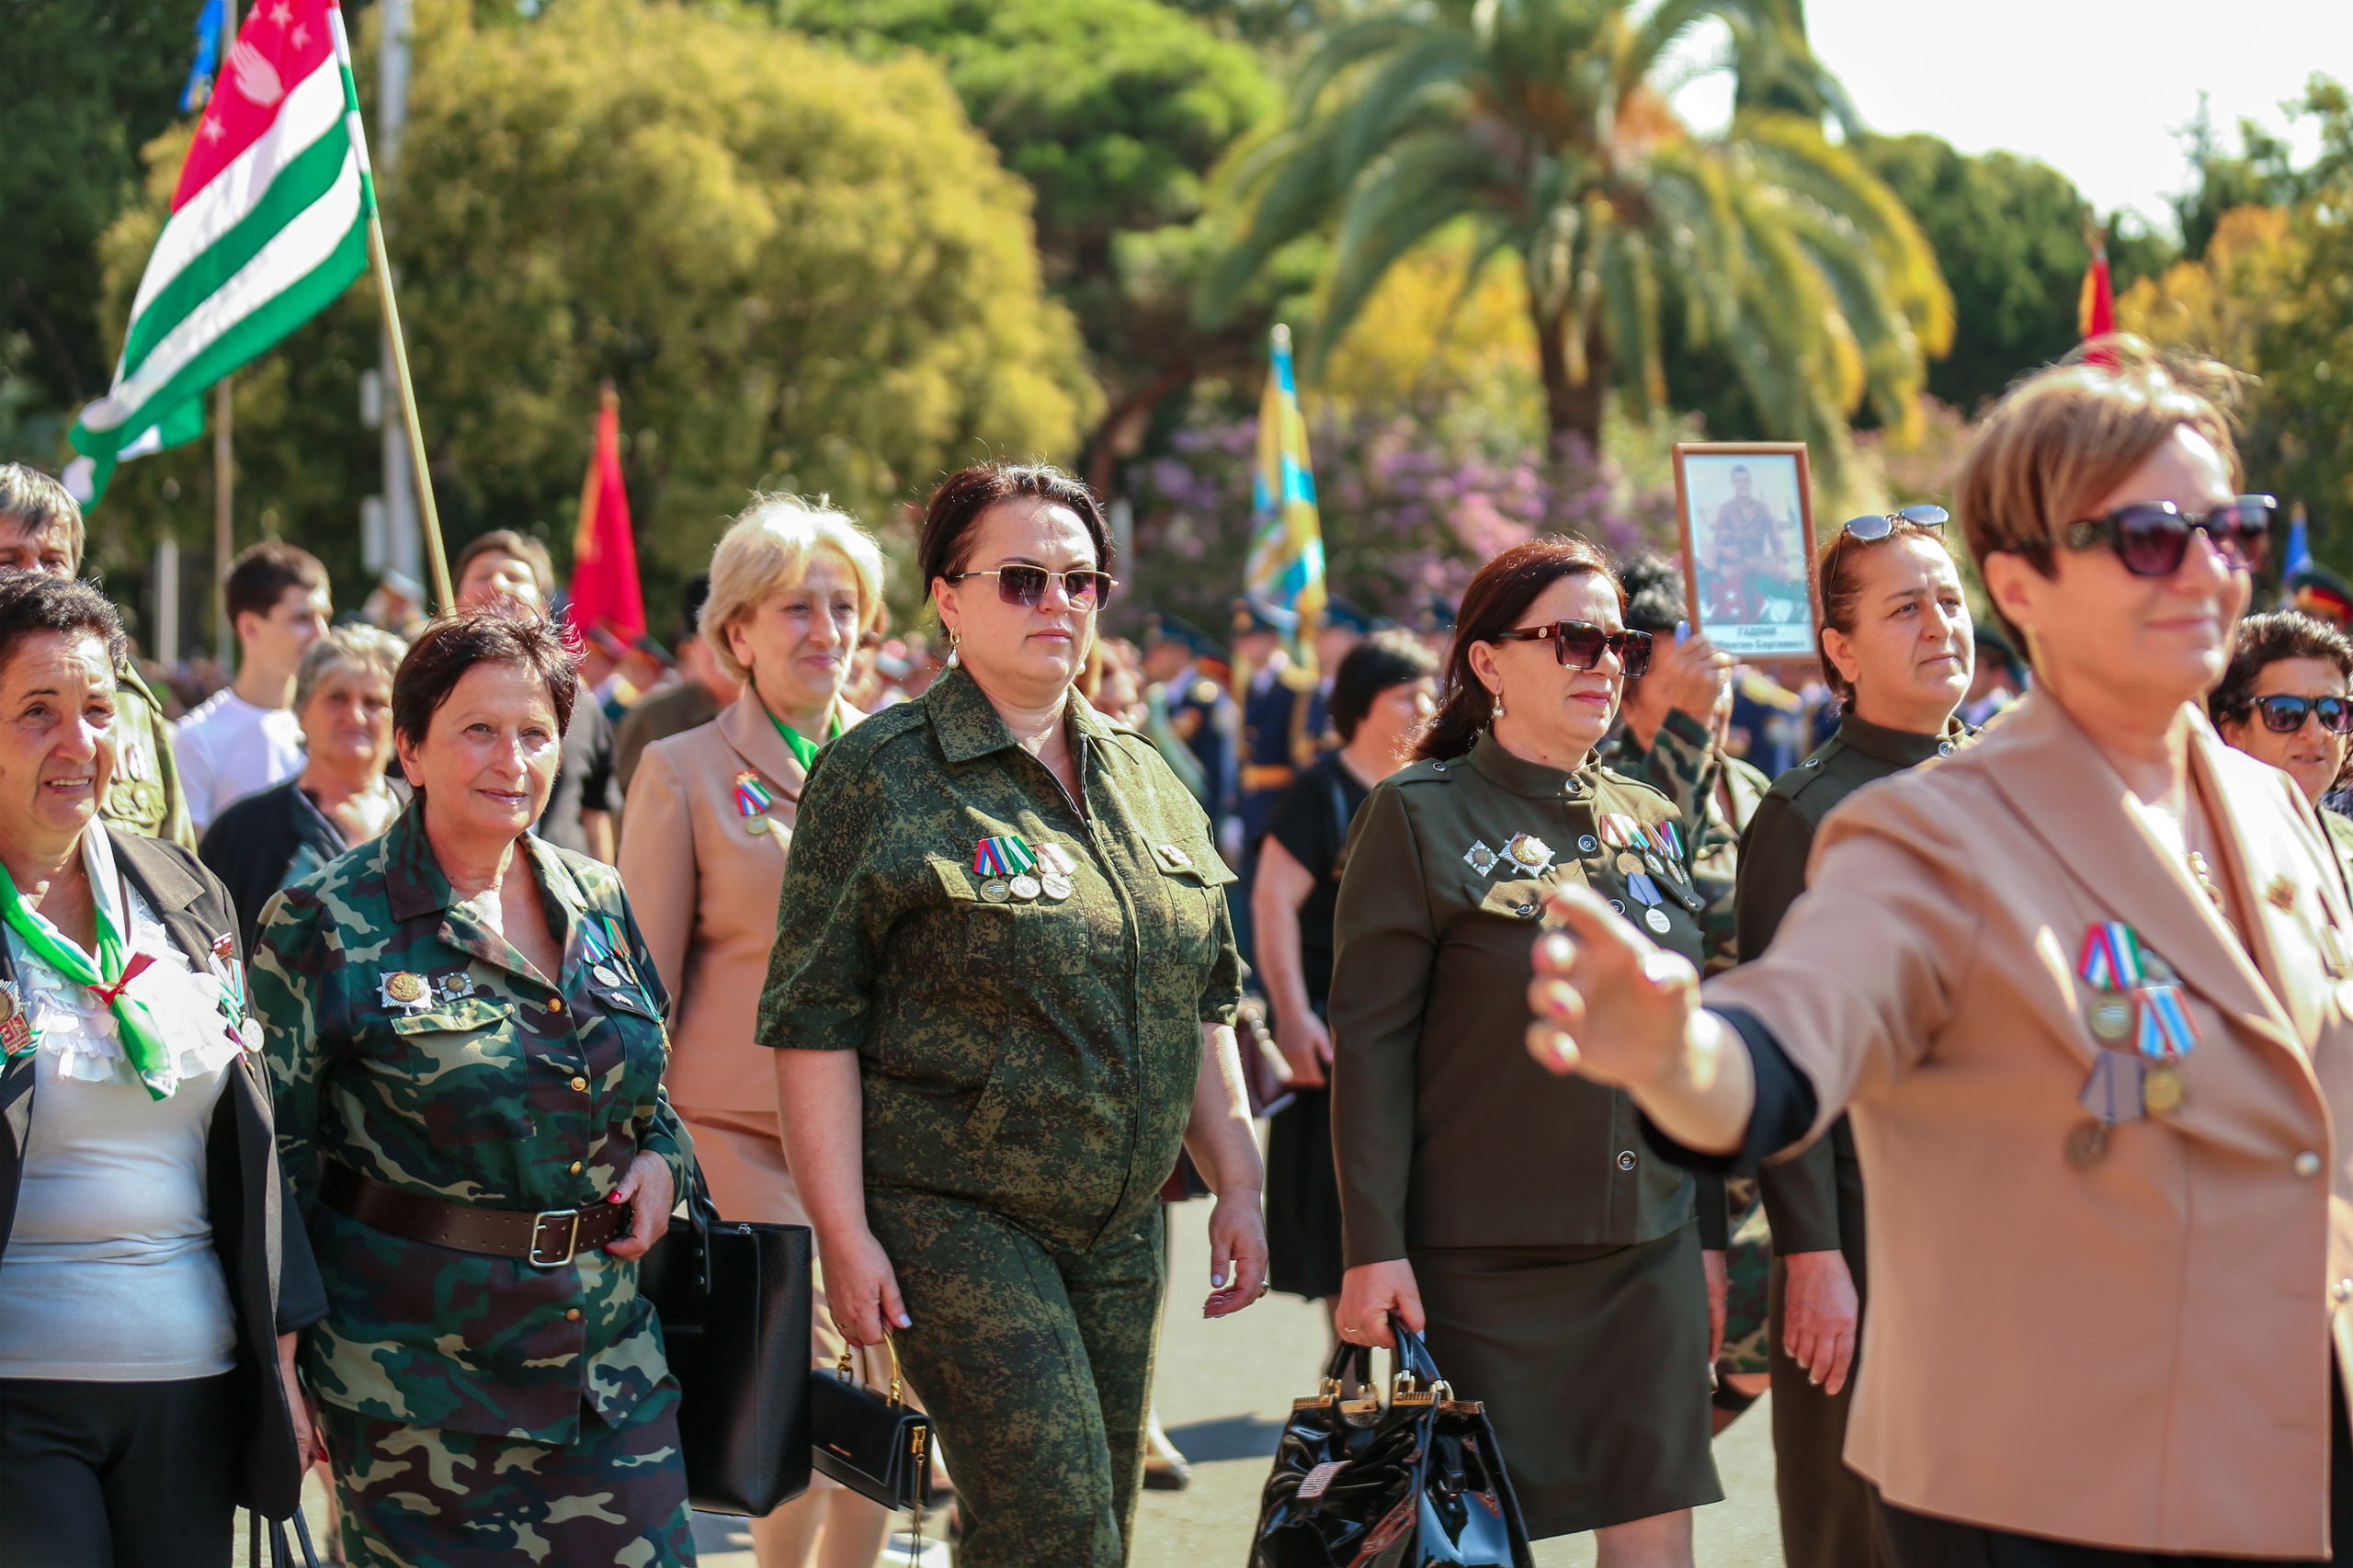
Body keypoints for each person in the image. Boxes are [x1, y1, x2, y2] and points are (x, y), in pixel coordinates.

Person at [1529, 342, 2353, 1562]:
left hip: (2287, 1424)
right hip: (2055, 1469)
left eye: (2225, 528)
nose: (2202, 569)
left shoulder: (2274, 805)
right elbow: (1804, 1017)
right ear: (2023, 578)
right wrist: (1685, 1055)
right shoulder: (1923, 825)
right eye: (2146, 536)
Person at [757, 460, 1267, 1568]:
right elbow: (813, 1020)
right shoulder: (880, 773)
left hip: (1122, 1224)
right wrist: (843, 1235)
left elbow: (1202, 998)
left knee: (1096, 1530)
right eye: (1023, 579)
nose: (1059, 606)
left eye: (1082, 582)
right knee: (1053, 1525)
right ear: (946, 597)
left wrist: (1238, 1178)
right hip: (955, 1211)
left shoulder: (1146, 774)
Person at [254, 608, 694, 1567]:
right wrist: (278, 1372)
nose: (512, 758)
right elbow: (270, 1167)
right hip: (416, 1396)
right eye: (478, 730)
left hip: (608, 1373)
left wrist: (665, 1166)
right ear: (409, 749)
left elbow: (650, 1096)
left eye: (535, 731)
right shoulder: (323, 920)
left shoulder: (597, 896)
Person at [1331, 537, 1726, 1561]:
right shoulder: (1413, 814)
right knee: (1467, 1546)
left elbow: (1686, 1041)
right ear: (1487, 662)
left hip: (1649, 1247)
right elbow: (1371, 1050)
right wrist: (1373, 1245)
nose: (1603, 662)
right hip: (1481, 1261)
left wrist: (1712, 1236)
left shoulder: (1649, 821)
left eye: (1619, 643)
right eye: (1571, 639)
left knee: (1655, 1539)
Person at [0, 572, 320, 1567]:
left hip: (192, 1382)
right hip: (16, 1396)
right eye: (36, 712)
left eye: (97, 709)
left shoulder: (186, 888)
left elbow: (248, 1140)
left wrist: (280, 1358)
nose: (76, 741)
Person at [618, 496, 886, 1568]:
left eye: (844, 606)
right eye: (795, 608)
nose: (826, 629)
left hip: (887, 1139)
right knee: (804, 1397)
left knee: (884, 1402)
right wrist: (638, 1138)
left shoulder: (898, 762)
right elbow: (642, 981)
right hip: (741, 1137)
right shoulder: (680, 770)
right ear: (737, 633)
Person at [1732, 507, 1974, 1568]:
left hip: (2006, 1235)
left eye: (1951, 599)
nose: (1940, 624)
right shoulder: (1807, 812)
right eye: (1905, 606)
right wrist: (1813, 1251)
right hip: (1868, 1236)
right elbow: (1781, 1057)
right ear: (1840, 648)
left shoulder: (2010, 789)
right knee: (1860, 1531)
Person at [1252, 631, 1436, 1319]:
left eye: (1429, 689)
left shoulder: (1431, 788)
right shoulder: (1319, 791)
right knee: (1341, 1215)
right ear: (1360, 705)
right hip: (1335, 1037)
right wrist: (1293, 1016)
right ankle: (1353, 1373)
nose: (1425, 704)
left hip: (1418, 1032)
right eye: (1404, 694)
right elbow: (1272, 903)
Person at [0, 464, 194, 850]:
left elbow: (176, 861)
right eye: (9, 560)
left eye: (52, 560)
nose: (36, 576)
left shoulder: (127, 700)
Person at [199, 626, 407, 956]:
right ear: (303, 710)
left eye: (373, 702)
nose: (354, 715)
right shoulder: (243, 832)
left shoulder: (432, 817)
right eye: (337, 697)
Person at [453, 530, 618, 862]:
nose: (498, 584)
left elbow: (595, 815)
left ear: (543, 607)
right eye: (482, 576)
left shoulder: (582, 703)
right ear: (456, 601)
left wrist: (603, 904)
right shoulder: (429, 695)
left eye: (515, 576)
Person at [175, 542, 332, 834]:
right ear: (250, 627)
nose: (322, 634)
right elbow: (192, 868)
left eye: (325, 618)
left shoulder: (336, 722)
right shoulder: (197, 738)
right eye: (302, 618)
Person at [2211, 609, 2353, 894]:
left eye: (2332, 712)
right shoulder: (2202, 846)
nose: (2315, 734)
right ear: (2234, 731)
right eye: (2285, 712)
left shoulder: (2348, 840)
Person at [615, 574, 743, 795]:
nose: (722, 649)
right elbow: (624, 809)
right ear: (691, 647)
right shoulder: (653, 719)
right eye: (710, 635)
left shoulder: (782, 714)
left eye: (735, 635)